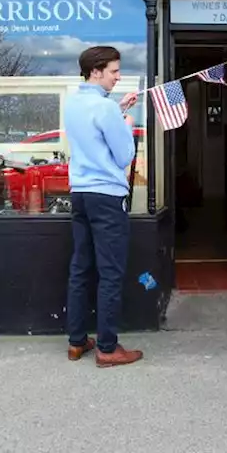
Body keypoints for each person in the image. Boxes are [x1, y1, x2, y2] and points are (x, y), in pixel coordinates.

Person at [64, 46, 143, 368]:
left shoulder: (74, 104)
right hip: (107, 197)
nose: (118, 76)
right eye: (114, 71)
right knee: (110, 273)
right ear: (96, 71)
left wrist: (116, 109)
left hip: (80, 194)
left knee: (80, 268)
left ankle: (76, 341)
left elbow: (93, 131)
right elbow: (124, 156)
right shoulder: (106, 110)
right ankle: (108, 348)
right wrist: (125, 120)